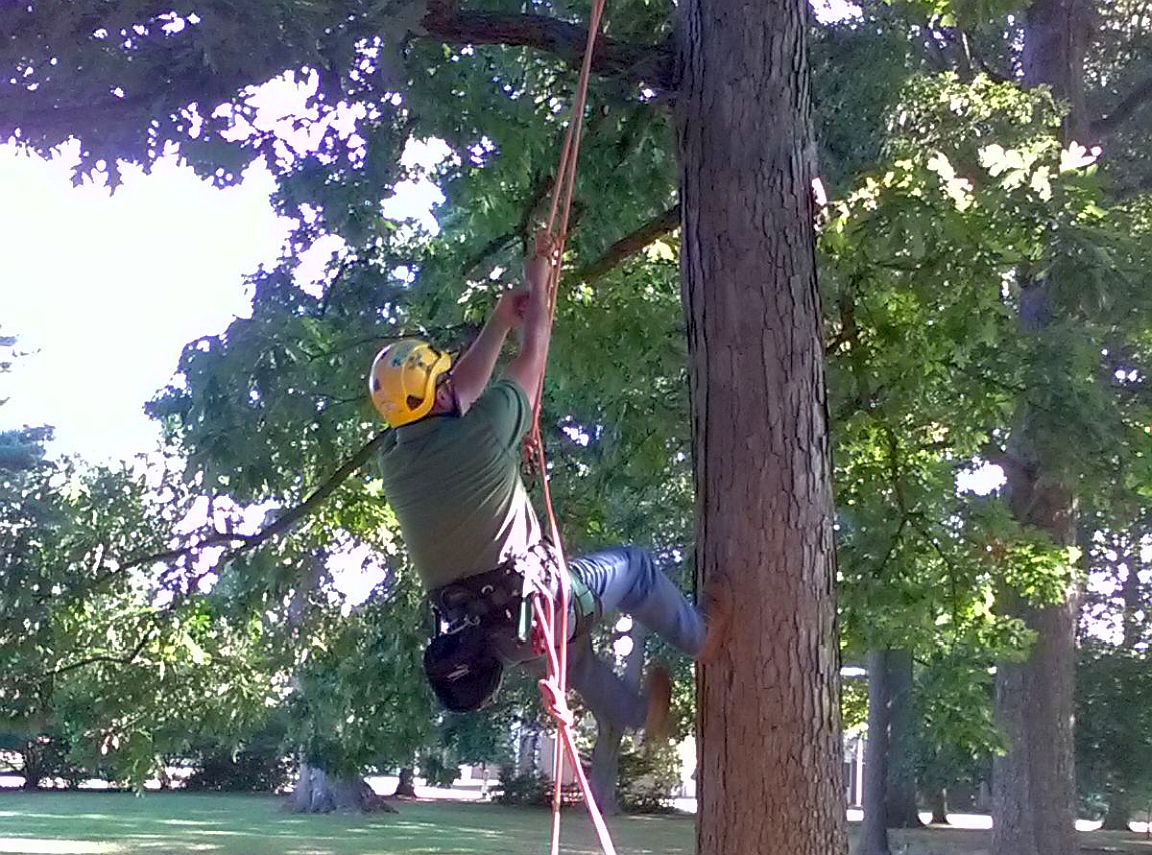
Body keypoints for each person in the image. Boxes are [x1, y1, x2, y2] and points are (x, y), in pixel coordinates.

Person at [370, 236, 718, 735]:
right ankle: (701, 637)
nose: (452, 382)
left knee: (573, 661)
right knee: (634, 569)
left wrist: (499, 321)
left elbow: (456, 394)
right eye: (443, 381)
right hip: (542, 601)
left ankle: (640, 718)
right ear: (440, 394)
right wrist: (539, 281)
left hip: (500, 635)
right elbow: (532, 358)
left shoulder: (396, 462)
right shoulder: (481, 431)